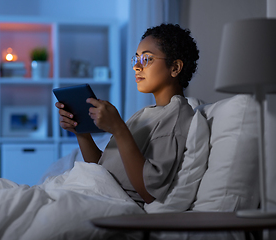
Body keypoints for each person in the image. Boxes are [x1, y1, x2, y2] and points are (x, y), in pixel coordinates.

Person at [55, 23, 199, 207]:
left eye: (147, 59)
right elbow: (102, 169)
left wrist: (119, 128)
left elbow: (149, 193)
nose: (136, 67)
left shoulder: (176, 116)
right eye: (136, 59)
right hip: (95, 192)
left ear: (175, 68)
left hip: (112, 203)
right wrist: (81, 131)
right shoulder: (145, 114)